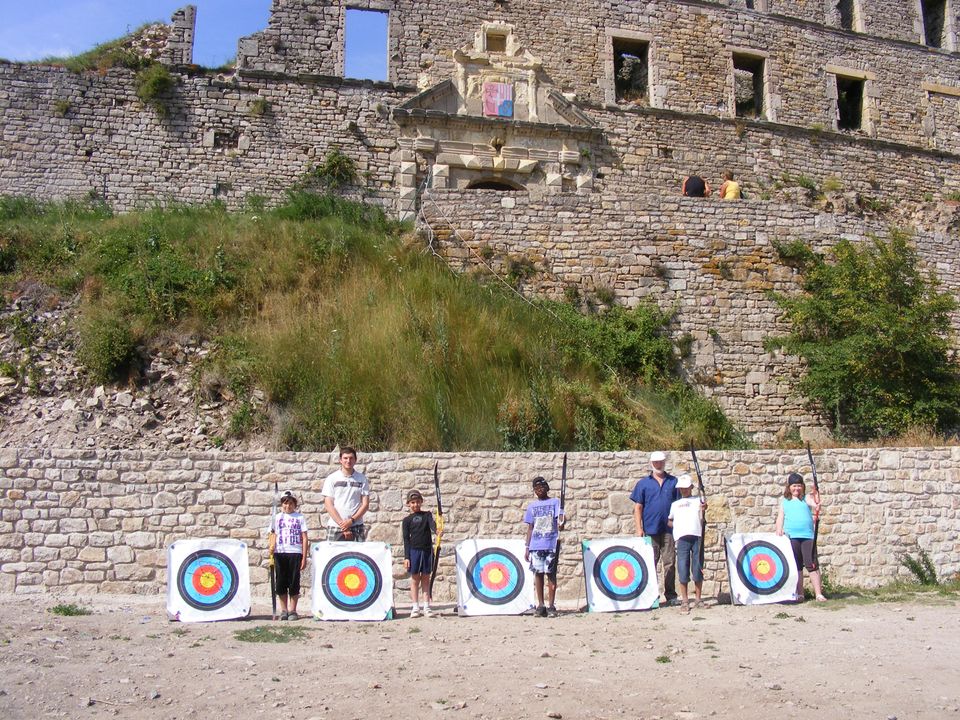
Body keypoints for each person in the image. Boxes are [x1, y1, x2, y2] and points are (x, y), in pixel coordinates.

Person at [631, 450, 680, 605]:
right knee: (650, 563)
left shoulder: (673, 482)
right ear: (651, 463)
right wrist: (639, 528)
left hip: (668, 530)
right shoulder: (643, 484)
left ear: (664, 462)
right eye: (656, 462)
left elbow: (679, 505)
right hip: (650, 530)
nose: (658, 464)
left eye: (661, 462)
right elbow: (638, 507)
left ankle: (671, 595)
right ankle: (651, 596)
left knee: (670, 563)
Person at [776, 472, 826, 602]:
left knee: (812, 564)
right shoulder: (785, 502)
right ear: (789, 487)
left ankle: (818, 594)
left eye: (799, 486)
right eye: (794, 486)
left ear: (802, 486)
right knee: (797, 566)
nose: (796, 488)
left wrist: (816, 503)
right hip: (792, 537)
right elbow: (780, 517)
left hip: (808, 536)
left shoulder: (805, 498)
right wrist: (778, 530)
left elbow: (814, 503)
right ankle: (800, 593)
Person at [523, 476, 564, 617]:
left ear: (546, 488)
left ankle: (551, 605)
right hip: (536, 545)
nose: (539, 490)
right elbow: (530, 527)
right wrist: (527, 547)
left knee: (551, 574)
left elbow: (561, 518)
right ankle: (541, 605)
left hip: (551, 543)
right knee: (538, 574)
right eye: (536, 488)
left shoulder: (555, 502)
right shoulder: (531, 506)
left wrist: (562, 523)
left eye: (541, 487)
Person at [268, 491, 309, 620]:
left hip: (295, 552)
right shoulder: (276, 517)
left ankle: (293, 610)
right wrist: (271, 547)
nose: (288, 506)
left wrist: (304, 556)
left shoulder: (299, 518)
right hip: (280, 552)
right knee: (280, 582)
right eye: (285, 503)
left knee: (293, 582)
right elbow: (271, 535)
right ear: (282, 504)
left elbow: (304, 537)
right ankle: (284, 610)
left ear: (294, 505)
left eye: (290, 503)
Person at [667, 474, 705, 613]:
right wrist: (678, 526)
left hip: (696, 536)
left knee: (697, 567)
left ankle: (698, 599)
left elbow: (704, 508)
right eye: (681, 488)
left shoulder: (698, 500)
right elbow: (669, 520)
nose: (684, 490)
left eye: (686, 488)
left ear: (690, 488)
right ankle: (684, 600)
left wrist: (704, 505)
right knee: (683, 567)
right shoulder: (675, 504)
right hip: (682, 538)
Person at [322, 446, 370, 542]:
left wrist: (351, 521)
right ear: (340, 460)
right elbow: (328, 504)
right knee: (334, 556)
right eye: (345, 458)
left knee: (357, 556)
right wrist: (343, 525)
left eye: (351, 458)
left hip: (356, 526)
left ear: (355, 460)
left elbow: (365, 504)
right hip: (336, 527)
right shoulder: (332, 478)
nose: (348, 461)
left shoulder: (362, 479)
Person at [402, 489, 437, 618]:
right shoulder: (406, 520)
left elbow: (432, 526)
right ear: (408, 504)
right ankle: (415, 607)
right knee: (415, 579)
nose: (415, 505)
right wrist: (407, 557)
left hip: (427, 551)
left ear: (421, 502)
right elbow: (406, 539)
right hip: (414, 552)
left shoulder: (427, 515)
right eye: (412, 502)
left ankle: (426, 606)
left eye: (417, 502)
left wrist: (437, 530)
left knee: (426, 578)